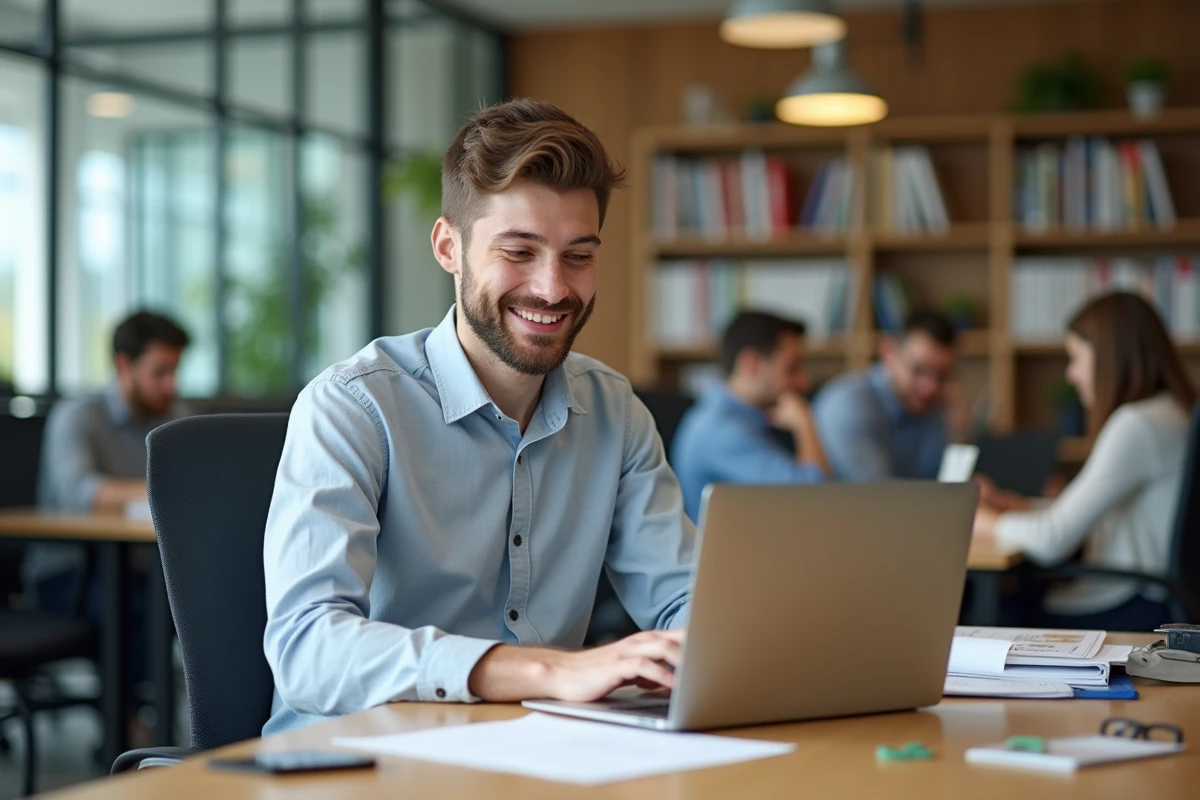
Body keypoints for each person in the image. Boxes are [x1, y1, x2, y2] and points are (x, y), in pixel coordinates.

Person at [262, 99, 694, 734]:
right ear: (448, 247)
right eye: (518, 251)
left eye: (578, 255)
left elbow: (684, 600)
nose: (553, 288)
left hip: (535, 755)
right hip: (356, 765)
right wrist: (546, 673)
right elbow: (308, 653)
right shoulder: (353, 407)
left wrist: (708, 650)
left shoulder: (615, 412)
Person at [972, 292, 1195, 630]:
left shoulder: (1136, 424)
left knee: (984, 610)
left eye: (1076, 358)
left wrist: (979, 519)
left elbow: (1052, 540)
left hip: (1130, 606)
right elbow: (1071, 523)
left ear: (1109, 356)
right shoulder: (1172, 413)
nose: (1071, 374)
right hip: (1158, 600)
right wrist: (1010, 506)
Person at [25, 310, 191, 609]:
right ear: (123, 366)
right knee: (145, 610)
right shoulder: (78, 416)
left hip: (146, 570)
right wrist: (165, 494)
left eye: (175, 372)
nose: (171, 385)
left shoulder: (176, 419)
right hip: (69, 573)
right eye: (159, 372)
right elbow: (78, 493)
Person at [670, 311, 829, 522]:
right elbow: (817, 499)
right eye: (792, 368)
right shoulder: (718, 430)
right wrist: (805, 423)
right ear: (751, 363)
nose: (804, 381)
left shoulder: (752, 420)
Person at [812, 310, 959, 482]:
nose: (930, 387)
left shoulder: (934, 407)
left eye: (942, 376)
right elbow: (880, 498)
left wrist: (959, 429)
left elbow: (944, 484)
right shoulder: (847, 405)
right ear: (888, 353)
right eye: (918, 370)